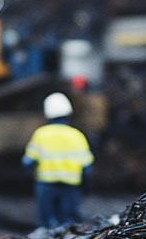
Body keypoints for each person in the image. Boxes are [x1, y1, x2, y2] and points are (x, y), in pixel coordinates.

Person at [23, 92, 94, 228]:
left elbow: (27, 162)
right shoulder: (77, 135)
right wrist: (86, 187)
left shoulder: (41, 134)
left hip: (46, 186)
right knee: (69, 226)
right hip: (70, 187)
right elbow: (87, 168)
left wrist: (29, 178)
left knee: (47, 226)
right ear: (68, 113)